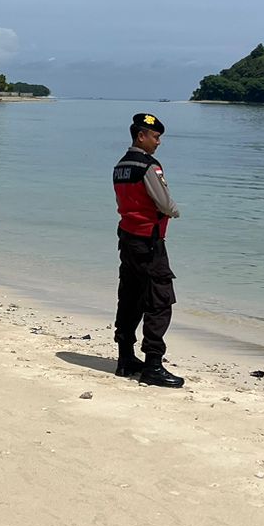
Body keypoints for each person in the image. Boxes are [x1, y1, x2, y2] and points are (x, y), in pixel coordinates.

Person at [112, 112, 184, 388]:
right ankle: (153, 364)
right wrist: (176, 212)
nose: (158, 142)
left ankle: (125, 357)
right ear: (141, 136)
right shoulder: (147, 166)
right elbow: (165, 204)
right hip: (149, 242)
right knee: (159, 300)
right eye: (155, 137)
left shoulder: (121, 165)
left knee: (129, 297)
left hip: (128, 239)